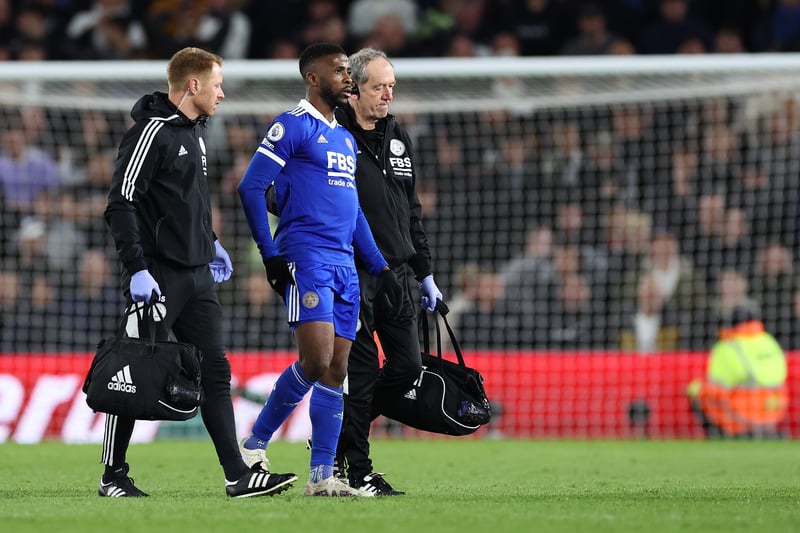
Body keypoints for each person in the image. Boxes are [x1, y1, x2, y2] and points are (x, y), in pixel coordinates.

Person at [101, 46, 297, 498]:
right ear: (193, 86)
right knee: (133, 371)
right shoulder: (151, 132)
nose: (222, 94)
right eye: (216, 85)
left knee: (215, 370)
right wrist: (137, 269)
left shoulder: (195, 134)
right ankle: (112, 475)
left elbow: (183, 204)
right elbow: (120, 203)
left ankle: (237, 474)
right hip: (158, 277)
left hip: (197, 275)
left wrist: (210, 243)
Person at [236, 42, 403, 498]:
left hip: (345, 264)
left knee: (337, 370)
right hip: (305, 257)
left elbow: (354, 215)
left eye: (349, 70)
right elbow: (251, 188)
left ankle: (321, 477)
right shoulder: (291, 125)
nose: (348, 77)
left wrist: (381, 267)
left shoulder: (345, 139)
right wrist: (269, 254)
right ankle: (253, 444)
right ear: (314, 78)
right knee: (315, 360)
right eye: (339, 71)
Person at [332, 47, 443, 496]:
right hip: (351, 272)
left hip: (397, 274)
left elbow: (410, 209)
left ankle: (339, 438)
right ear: (354, 87)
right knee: (358, 378)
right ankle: (356, 471)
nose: (387, 94)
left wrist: (426, 272)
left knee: (407, 368)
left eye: (391, 86)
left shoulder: (398, 137)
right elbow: (280, 195)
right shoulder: (328, 134)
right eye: (379, 86)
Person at [686, 308, 788, 439]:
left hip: (743, 415)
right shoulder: (770, 341)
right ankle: (765, 432)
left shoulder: (728, 346)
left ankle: (722, 435)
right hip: (775, 410)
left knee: (695, 389)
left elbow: (717, 389)